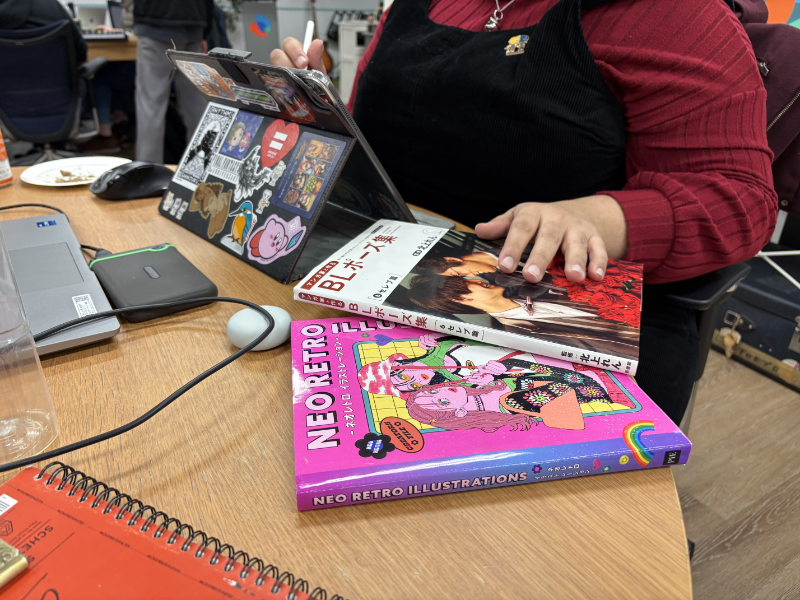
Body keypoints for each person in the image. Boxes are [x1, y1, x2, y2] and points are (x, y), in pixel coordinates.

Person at [271, 0, 778, 423]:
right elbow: (385, 139)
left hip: (560, 308)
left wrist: (596, 218)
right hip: (384, 274)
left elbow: (742, 199)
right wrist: (320, 113)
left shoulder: (673, 15)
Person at [133, 0, 212, 164]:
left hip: (155, 21)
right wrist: (205, 30)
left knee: (151, 106)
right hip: (194, 23)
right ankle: (199, 174)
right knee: (196, 107)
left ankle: (148, 177)